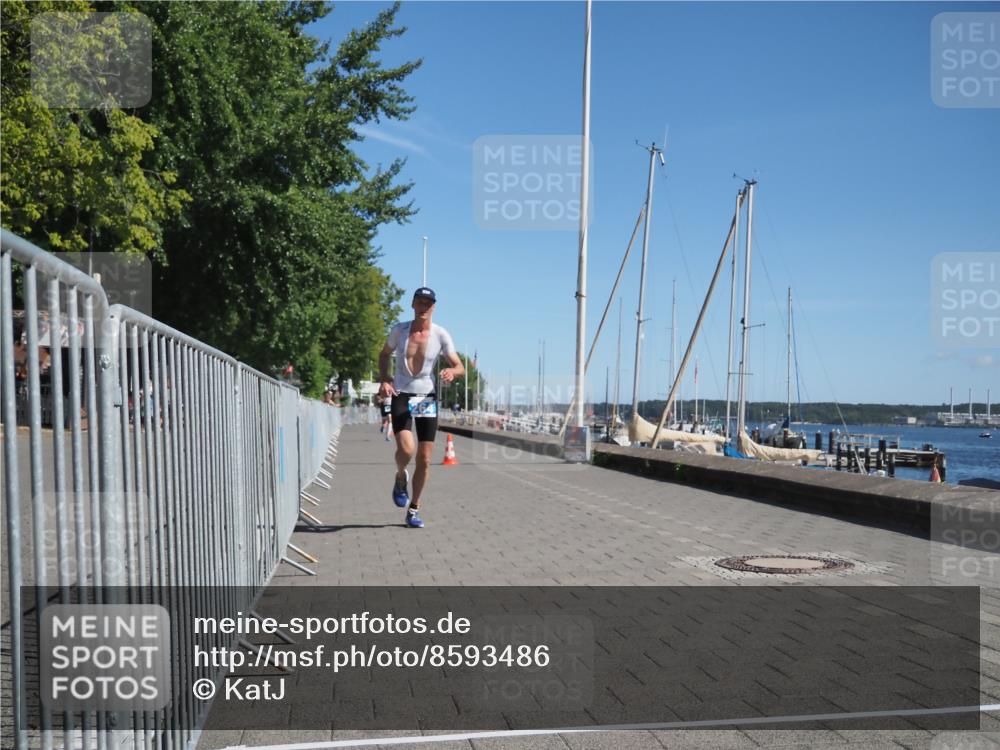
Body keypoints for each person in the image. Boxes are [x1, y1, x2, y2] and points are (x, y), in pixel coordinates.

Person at [378, 287, 464, 528]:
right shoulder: (399, 330)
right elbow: (384, 354)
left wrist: (452, 372)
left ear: (433, 307)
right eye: (420, 301)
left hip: (426, 397)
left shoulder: (440, 334)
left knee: (424, 458)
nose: (424, 306)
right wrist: (384, 379)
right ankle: (399, 476)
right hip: (402, 394)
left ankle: (414, 508)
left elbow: (459, 366)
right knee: (406, 450)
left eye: (429, 303)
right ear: (413, 304)